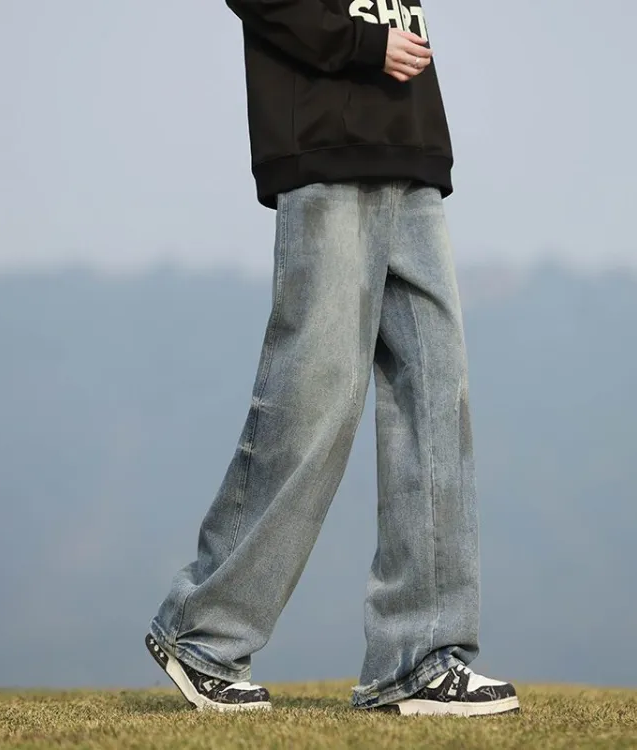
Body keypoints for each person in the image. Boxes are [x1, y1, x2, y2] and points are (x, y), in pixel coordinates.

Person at [145, 0, 519, 717]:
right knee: (314, 398)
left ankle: (418, 658)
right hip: (326, 142)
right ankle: (202, 634)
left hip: (410, 148)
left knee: (437, 404)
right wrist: (362, 44)